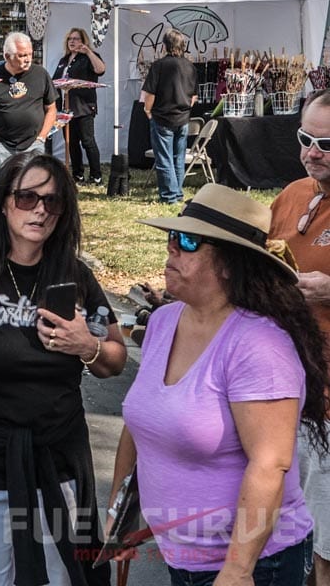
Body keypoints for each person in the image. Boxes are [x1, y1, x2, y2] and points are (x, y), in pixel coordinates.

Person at [0, 152, 126, 586]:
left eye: (52, 202)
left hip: (58, 460)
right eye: (28, 197)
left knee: (62, 577)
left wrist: (87, 346)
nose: (40, 210)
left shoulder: (76, 277)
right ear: (2, 202)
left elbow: (116, 358)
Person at [114, 184, 329, 584]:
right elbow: (138, 424)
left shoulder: (260, 345)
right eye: (172, 236)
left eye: (189, 240)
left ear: (231, 263)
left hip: (255, 564)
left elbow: (271, 463)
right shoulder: (163, 322)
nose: (172, 249)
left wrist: (237, 569)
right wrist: (120, 515)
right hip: (182, 557)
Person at [270, 90, 330, 586]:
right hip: (281, 394)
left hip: (329, 406)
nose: (312, 152)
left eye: (326, 143)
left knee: (326, 544)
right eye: (306, 139)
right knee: (286, 532)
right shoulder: (292, 193)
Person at [0, 32, 58, 177]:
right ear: (7, 56)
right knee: (1, 191)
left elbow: (51, 109)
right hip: (3, 146)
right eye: (22, 56)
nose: (27, 60)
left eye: (29, 54)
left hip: (33, 144)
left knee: (32, 187)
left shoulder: (41, 74)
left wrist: (41, 138)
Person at [141, 29, 197, 204]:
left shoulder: (158, 66)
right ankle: (177, 193)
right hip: (183, 117)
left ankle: (169, 196)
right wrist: (185, 108)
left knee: (164, 158)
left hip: (163, 117)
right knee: (178, 159)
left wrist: (147, 110)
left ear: (164, 45)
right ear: (182, 45)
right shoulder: (190, 66)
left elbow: (150, 93)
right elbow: (193, 96)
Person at [52, 27, 105, 185]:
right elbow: (55, 81)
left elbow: (101, 70)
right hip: (67, 107)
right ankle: (77, 174)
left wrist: (88, 52)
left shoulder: (88, 57)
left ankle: (96, 176)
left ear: (83, 41)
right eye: (70, 39)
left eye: (76, 39)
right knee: (71, 142)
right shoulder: (64, 60)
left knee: (87, 141)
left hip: (84, 106)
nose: (72, 41)